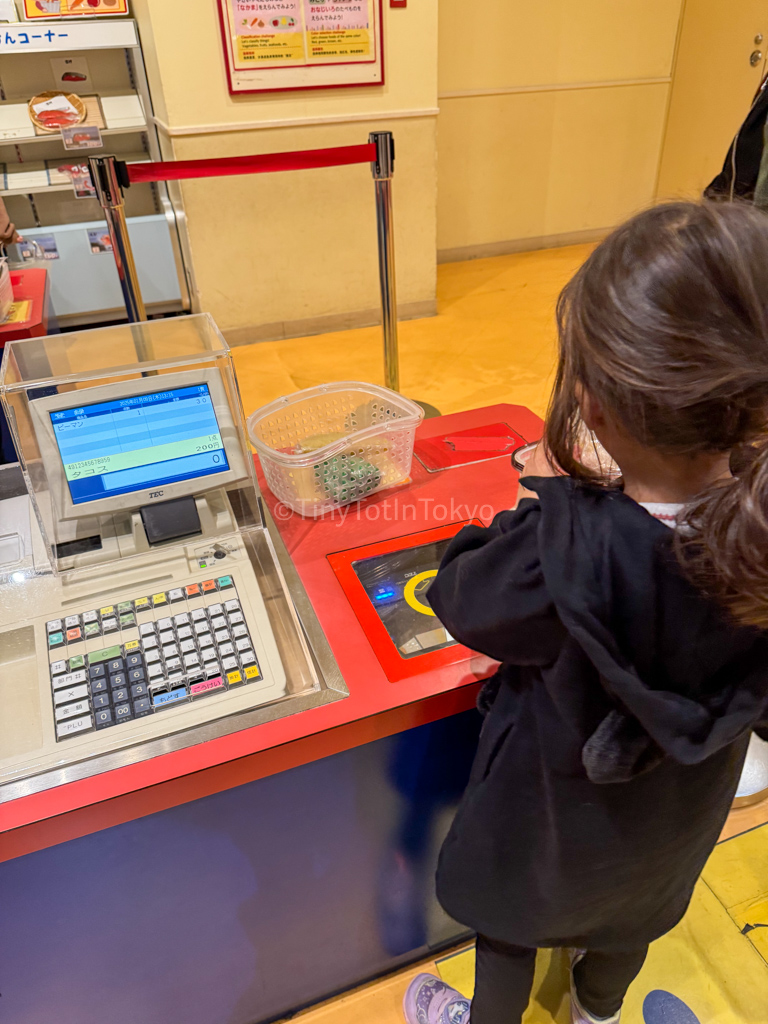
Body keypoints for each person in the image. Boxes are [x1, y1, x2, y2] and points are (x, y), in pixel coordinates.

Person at [402, 200, 768, 1024]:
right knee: (629, 919)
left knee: (509, 927)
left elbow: (462, 597)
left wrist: (545, 498)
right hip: (671, 827)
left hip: (550, 824)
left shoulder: (564, 544)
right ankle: (595, 1014)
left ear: (592, 407)